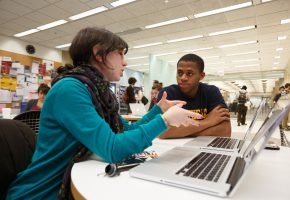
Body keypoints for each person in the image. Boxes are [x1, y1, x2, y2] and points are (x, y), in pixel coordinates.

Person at [6, 27, 202, 199]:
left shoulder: (97, 92)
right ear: (99, 54)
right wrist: (164, 121)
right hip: (44, 191)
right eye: (120, 54)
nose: (125, 63)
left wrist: (159, 111)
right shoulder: (70, 89)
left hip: (67, 182)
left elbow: (126, 130)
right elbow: (113, 149)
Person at [157, 53, 231, 139]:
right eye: (180, 73)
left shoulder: (212, 92)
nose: (183, 78)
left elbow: (225, 130)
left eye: (190, 74)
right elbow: (161, 132)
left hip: (204, 147)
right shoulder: (167, 93)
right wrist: (208, 121)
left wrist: (179, 132)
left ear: (201, 76)